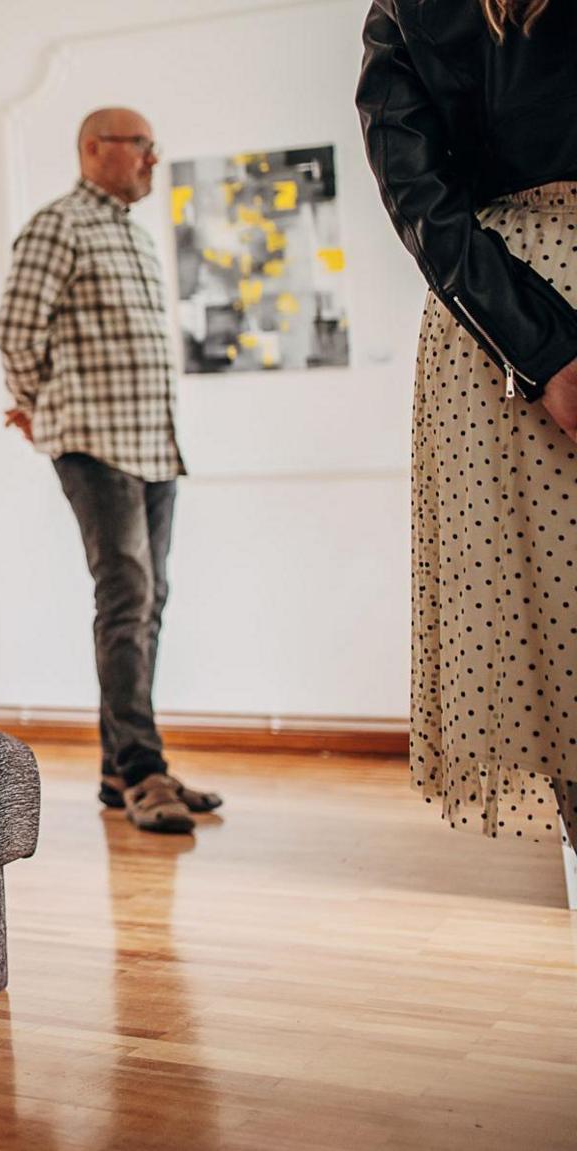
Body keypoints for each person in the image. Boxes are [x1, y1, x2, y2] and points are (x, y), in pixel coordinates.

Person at [357, 0, 577, 842]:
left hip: (494, 321)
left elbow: (420, 201)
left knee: (561, 669)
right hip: (511, 337)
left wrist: (540, 352)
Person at [0, 106, 224, 836]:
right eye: (142, 147)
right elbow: (16, 329)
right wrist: (38, 405)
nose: (154, 159)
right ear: (96, 149)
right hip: (95, 441)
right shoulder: (58, 224)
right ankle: (140, 769)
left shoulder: (131, 233)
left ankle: (115, 766)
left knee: (148, 599)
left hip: (153, 443)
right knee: (127, 596)